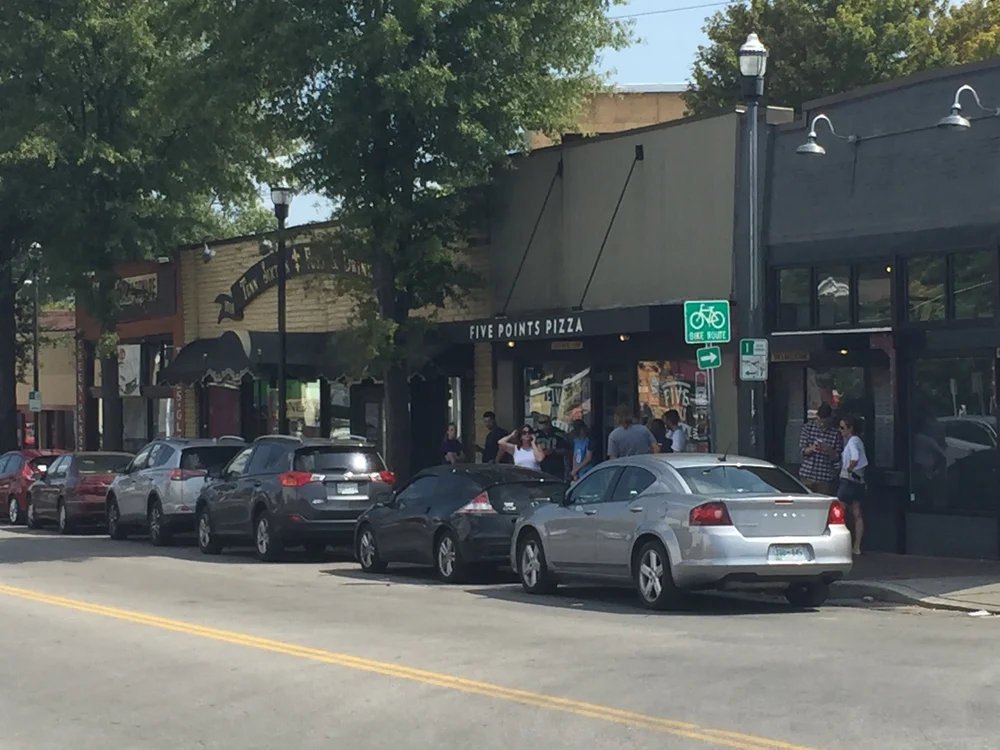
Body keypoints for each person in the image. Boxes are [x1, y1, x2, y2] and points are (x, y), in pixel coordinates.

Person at [837, 416, 869, 556]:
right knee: (857, 512)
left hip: (848, 480)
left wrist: (849, 469)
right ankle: (857, 546)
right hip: (858, 481)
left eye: (842, 427)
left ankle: (842, 544)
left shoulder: (852, 441)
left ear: (850, 429)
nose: (840, 430)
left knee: (839, 511)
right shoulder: (857, 441)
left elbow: (854, 458)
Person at [798, 403, 842, 495]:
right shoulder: (807, 428)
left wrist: (828, 450)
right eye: (819, 421)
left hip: (825, 477)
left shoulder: (835, 433)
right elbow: (802, 451)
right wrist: (812, 449)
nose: (822, 424)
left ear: (829, 419)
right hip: (807, 475)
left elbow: (837, 458)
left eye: (824, 422)